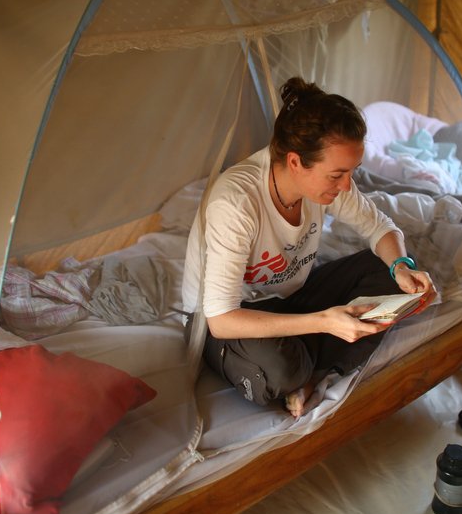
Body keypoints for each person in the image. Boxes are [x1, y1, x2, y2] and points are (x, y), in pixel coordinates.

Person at [182, 77, 436, 418]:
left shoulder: (327, 186)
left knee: (387, 274)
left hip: (289, 300)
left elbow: (379, 227)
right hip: (226, 320)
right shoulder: (237, 203)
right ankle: (312, 365)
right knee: (283, 370)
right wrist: (323, 322)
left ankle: (316, 373)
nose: (346, 185)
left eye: (352, 172)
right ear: (295, 162)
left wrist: (402, 268)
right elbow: (222, 321)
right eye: (336, 175)